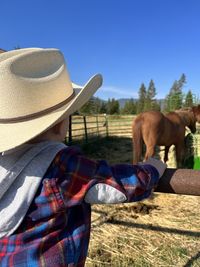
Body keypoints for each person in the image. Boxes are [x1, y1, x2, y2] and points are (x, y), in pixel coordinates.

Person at [0, 48, 167, 267]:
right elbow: (119, 185)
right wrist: (154, 167)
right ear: (61, 122)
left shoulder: (5, 162)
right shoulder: (61, 163)